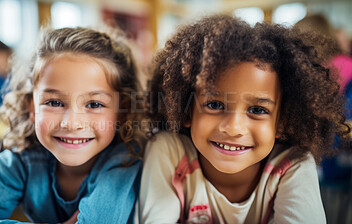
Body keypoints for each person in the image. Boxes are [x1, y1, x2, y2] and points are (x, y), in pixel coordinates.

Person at [139, 15, 349, 223]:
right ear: (186, 110)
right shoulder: (169, 152)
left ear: (283, 121)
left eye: (257, 110)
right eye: (214, 105)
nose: (233, 128)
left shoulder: (293, 164)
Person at [0, 27, 144, 223]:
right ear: (32, 108)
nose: (71, 123)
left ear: (122, 112)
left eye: (94, 104)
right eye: (54, 102)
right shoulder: (22, 160)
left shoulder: (125, 160)